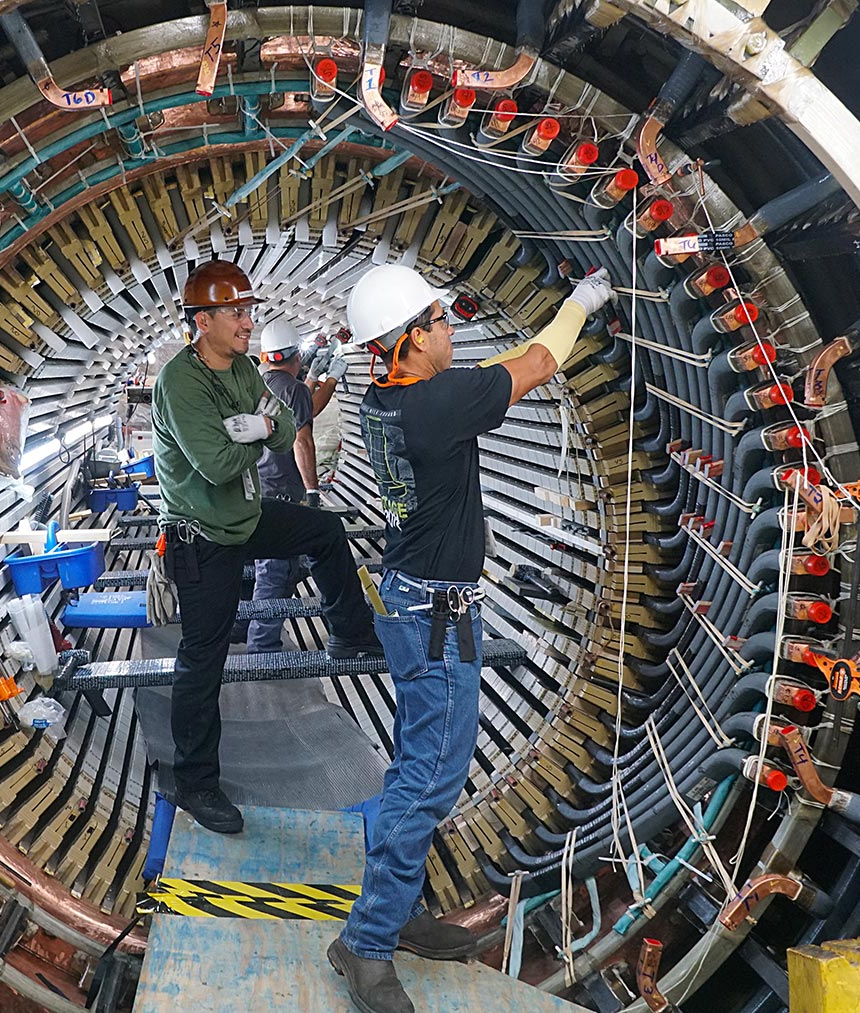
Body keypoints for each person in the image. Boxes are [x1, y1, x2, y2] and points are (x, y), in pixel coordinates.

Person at [325, 263, 614, 1012]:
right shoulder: (440, 405)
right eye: (441, 320)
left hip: (408, 594)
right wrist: (584, 299)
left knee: (413, 760)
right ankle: (366, 942)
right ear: (412, 340)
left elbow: (486, 370)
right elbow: (540, 361)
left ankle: (400, 912)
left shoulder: (385, 399)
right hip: (439, 609)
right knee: (432, 775)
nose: (452, 329)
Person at [152, 260, 384, 835]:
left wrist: (258, 428)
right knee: (202, 661)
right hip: (203, 537)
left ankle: (353, 636)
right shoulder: (180, 383)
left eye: (249, 311)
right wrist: (255, 433)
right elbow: (216, 463)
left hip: (246, 517)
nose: (248, 322)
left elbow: (281, 427)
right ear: (202, 321)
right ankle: (196, 783)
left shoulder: (246, 370)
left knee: (326, 531)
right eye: (236, 312)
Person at [245, 319, 346, 653]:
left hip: (256, 487)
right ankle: (262, 646)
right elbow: (304, 437)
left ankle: (254, 631)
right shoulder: (295, 389)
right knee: (274, 571)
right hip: (284, 493)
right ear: (296, 358)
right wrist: (313, 491)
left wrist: (321, 378)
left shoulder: (256, 385)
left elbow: (305, 407)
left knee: (282, 566)